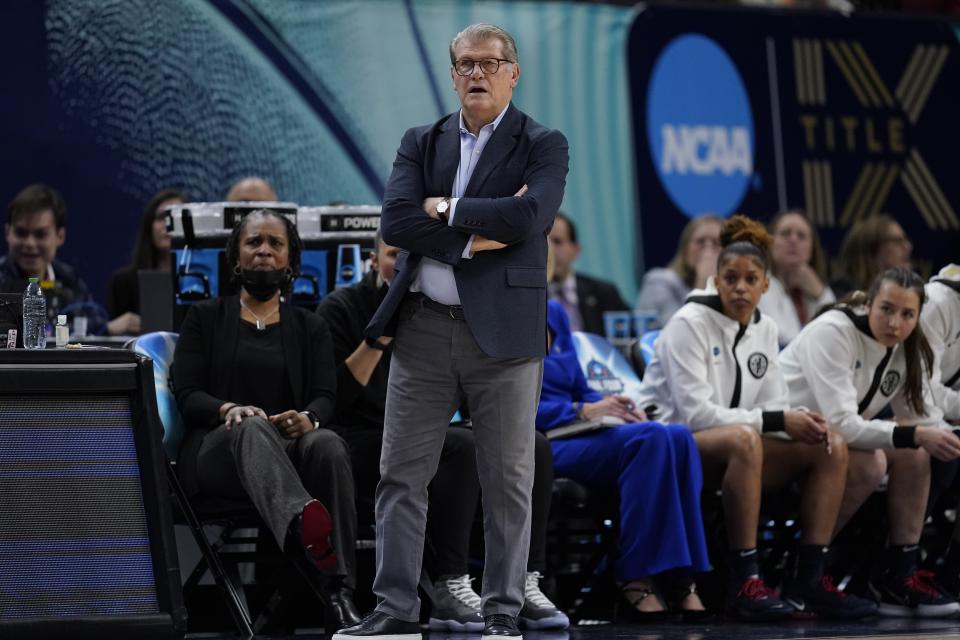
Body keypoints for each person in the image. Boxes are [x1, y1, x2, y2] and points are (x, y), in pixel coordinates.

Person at [335, 23, 569, 640]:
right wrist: (473, 238)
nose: (476, 73)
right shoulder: (421, 141)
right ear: (452, 73)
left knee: (508, 481)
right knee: (400, 475)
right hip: (424, 330)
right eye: (465, 63)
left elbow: (530, 215)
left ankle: (501, 613)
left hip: (507, 337)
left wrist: (445, 208)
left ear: (512, 73)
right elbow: (396, 223)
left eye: (490, 63)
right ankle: (393, 610)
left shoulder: (544, 143)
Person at [317, 232, 568, 632]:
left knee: (533, 446)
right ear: (371, 258)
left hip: (441, 423)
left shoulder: (450, 305)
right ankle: (449, 582)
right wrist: (381, 333)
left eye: (406, 255)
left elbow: (467, 391)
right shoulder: (343, 306)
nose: (399, 263)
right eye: (392, 255)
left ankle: (525, 579)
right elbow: (333, 396)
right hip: (361, 431)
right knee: (459, 449)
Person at [634, 215, 875, 621]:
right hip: (675, 444)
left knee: (829, 444)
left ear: (767, 285)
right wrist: (779, 419)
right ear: (717, 277)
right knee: (745, 438)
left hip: (733, 446)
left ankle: (808, 580)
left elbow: (776, 402)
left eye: (751, 280)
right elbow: (697, 415)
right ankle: (745, 580)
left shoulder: (767, 328)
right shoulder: (687, 323)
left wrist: (793, 421)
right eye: (731, 278)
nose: (740, 288)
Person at [171, 209, 361, 630]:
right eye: (254, 242)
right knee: (251, 424)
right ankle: (301, 522)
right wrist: (227, 409)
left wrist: (309, 418)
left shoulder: (310, 326)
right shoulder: (203, 317)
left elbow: (326, 396)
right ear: (236, 257)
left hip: (288, 452)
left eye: (276, 244)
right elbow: (186, 394)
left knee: (327, 443)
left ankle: (339, 594)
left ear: (291, 261)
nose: (264, 252)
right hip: (218, 454)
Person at [780, 267, 960, 617]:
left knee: (915, 453)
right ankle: (805, 573)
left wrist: (939, 437)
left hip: (832, 442)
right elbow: (842, 424)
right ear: (870, 303)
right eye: (887, 309)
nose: (895, 322)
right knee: (872, 461)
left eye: (907, 314)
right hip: (785, 436)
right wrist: (916, 433)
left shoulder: (907, 346)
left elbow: (919, 414)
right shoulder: (834, 331)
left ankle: (900, 574)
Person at [538, 299, 710, 620]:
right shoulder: (495, 309)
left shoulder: (554, 310)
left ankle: (682, 577)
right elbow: (500, 402)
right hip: (539, 438)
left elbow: (578, 386)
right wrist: (580, 411)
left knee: (676, 435)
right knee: (650, 439)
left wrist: (610, 404)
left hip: (576, 428)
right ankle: (634, 575)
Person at [0, 183, 91, 326]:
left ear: (60, 236)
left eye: (40, 234)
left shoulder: (69, 280)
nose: (29, 243)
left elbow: (91, 325)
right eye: (21, 233)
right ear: (7, 233)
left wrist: (108, 329)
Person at [105, 188, 185, 336]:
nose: (168, 225)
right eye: (161, 217)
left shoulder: (201, 282)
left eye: (175, 217)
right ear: (150, 226)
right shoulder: (123, 282)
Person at [758, 209, 834, 346]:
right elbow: (781, 339)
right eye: (785, 233)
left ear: (812, 248)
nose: (793, 240)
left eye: (801, 236)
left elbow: (836, 335)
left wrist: (820, 294)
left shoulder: (817, 287)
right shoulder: (759, 285)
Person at [548, 212, 629, 334]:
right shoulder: (526, 297)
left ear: (575, 250)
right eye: (544, 242)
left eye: (557, 242)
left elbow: (632, 332)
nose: (550, 250)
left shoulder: (604, 293)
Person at [635, 214, 722, 329]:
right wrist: (705, 283)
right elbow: (679, 332)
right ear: (685, 248)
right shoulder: (658, 282)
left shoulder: (736, 288)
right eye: (700, 241)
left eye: (716, 243)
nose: (708, 250)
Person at [832, 214, 913, 299]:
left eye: (905, 239)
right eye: (897, 241)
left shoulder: (911, 292)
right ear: (873, 249)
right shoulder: (842, 290)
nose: (908, 247)